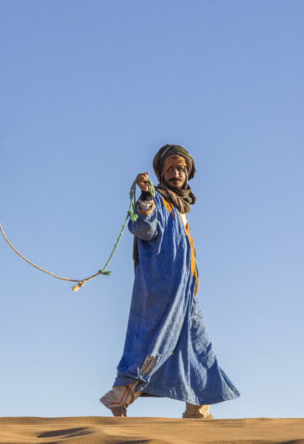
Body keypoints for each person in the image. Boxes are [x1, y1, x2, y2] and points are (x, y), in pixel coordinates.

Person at [100, 144, 239, 418]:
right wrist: (145, 197)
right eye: (171, 169)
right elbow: (144, 228)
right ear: (161, 174)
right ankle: (121, 395)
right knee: (154, 342)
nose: (176, 173)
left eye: (181, 169)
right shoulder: (159, 200)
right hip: (163, 289)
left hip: (185, 293)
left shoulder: (180, 206)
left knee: (198, 348)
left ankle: (198, 410)